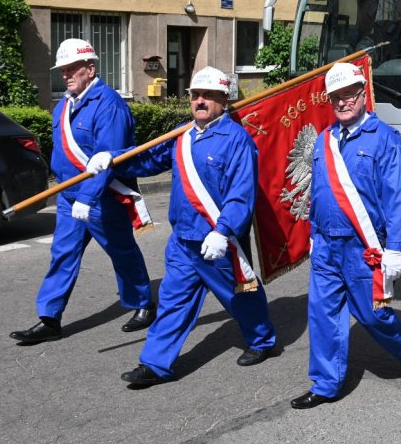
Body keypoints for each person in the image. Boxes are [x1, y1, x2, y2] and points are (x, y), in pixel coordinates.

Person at [86, 67, 277, 386]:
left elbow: (241, 194)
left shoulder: (237, 140)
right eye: (195, 95)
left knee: (240, 297)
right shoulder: (181, 134)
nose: (200, 101)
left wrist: (223, 230)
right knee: (174, 302)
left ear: (223, 100)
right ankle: (155, 364)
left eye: (208, 96)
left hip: (218, 243)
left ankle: (262, 340)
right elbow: (147, 159)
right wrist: (113, 159)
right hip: (183, 242)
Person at [290, 62, 401, 409]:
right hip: (326, 246)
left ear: (363, 95)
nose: (343, 102)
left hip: (364, 248)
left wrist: (394, 248)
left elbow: (395, 196)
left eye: (349, 95)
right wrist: (315, 235)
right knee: (323, 314)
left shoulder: (385, 138)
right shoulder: (324, 139)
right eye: (336, 97)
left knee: (373, 315)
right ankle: (325, 383)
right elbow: (317, 193)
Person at [10, 39, 155, 345]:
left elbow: (109, 157)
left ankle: (143, 304)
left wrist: (88, 198)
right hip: (69, 197)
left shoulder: (109, 104)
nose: (66, 74)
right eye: (62, 69)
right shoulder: (64, 104)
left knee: (121, 252)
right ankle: (49, 318)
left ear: (90, 69)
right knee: (62, 255)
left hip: (103, 198)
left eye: (73, 68)